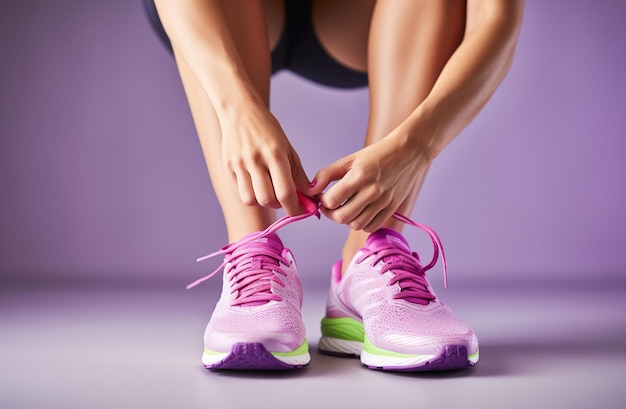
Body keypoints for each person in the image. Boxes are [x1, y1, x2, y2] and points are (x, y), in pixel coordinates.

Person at [144, 0, 523, 372]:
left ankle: (366, 264)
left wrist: (417, 146)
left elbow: (494, 20)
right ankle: (253, 256)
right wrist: (235, 107)